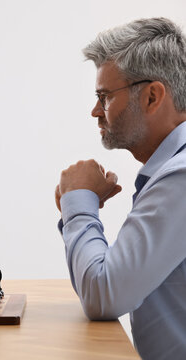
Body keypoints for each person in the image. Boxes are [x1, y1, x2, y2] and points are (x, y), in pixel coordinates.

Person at [55, 17, 186, 359]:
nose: (96, 111)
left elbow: (103, 294)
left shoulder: (181, 176)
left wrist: (78, 202)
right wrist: (77, 207)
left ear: (152, 96)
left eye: (105, 96)